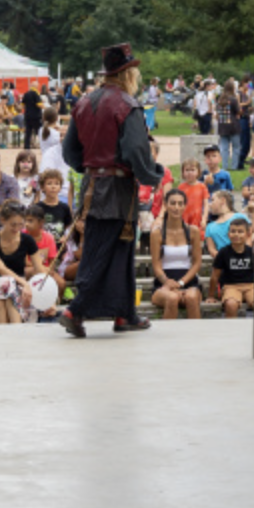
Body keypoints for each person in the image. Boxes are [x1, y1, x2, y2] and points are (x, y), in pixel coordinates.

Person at [57, 43, 162, 337]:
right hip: (116, 187)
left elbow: (69, 153)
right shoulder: (127, 105)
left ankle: (124, 313)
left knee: (120, 248)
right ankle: (75, 310)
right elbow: (136, 151)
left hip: (93, 185)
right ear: (127, 73)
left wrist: (90, 168)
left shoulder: (83, 103)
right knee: (102, 249)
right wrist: (153, 175)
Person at [0, 199, 42, 324]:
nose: (17, 228)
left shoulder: (28, 240)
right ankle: (15, 328)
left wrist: (46, 295)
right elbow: (1, 269)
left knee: (8, 287)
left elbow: (39, 269)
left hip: (18, 285)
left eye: (21, 224)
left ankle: (5, 329)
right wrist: (24, 284)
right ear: (3, 220)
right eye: (13, 224)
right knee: (5, 282)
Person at [148, 189, 204, 320]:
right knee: (172, 298)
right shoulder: (157, 233)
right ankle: (167, 339)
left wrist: (181, 283)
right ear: (166, 205)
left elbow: (197, 263)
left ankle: (198, 337)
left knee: (191, 297)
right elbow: (156, 265)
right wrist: (167, 282)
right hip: (163, 282)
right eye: (172, 203)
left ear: (185, 206)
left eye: (180, 204)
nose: (176, 207)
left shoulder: (193, 231)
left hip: (188, 281)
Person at [210, 216, 254, 318]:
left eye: (240, 231)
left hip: (251, 286)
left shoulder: (253, 252)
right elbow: (215, 276)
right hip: (231, 286)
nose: (236, 234)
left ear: (248, 234)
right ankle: (231, 332)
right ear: (228, 234)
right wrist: (211, 296)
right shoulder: (223, 252)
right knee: (231, 305)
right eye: (233, 231)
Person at [214, 79, 242, 172]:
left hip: (222, 125)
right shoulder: (233, 99)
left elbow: (217, 112)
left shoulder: (220, 99)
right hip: (233, 125)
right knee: (236, 147)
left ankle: (225, 166)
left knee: (224, 148)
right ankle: (234, 166)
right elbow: (238, 111)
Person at [20, 82, 44, 151]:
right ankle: (43, 145)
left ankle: (26, 147)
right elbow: (39, 105)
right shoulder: (36, 94)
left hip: (27, 115)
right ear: (36, 86)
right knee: (39, 131)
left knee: (28, 132)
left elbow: (22, 105)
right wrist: (45, 107)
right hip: (36, 116)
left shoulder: (26, 94)